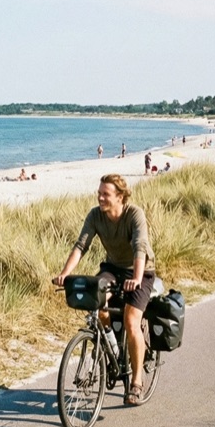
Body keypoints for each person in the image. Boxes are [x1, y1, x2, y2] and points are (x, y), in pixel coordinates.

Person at [53, 174, 157, 406]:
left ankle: (136, 381)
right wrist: (64, 273)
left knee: (131, 321)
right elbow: (81, 246)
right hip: (112, 268)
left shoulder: (134, 215)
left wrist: (137, 278)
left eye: (105, 194)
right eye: (99, 193)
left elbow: (140, 247)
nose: (100, 198)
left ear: (120, 197)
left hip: (140, 271)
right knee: (98, 306)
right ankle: (111, 349)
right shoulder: (95, 215)